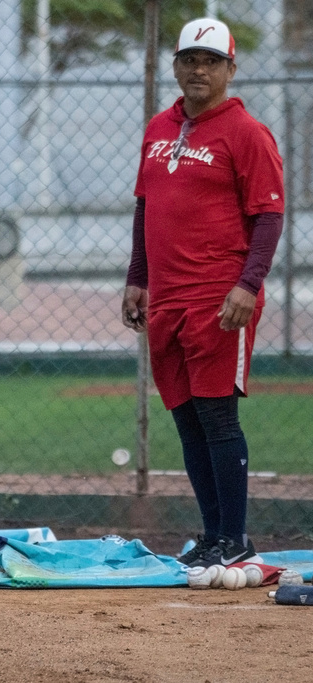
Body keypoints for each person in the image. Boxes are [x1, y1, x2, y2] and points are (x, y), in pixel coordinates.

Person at [121, 18, 284, 568]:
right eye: (189, 58)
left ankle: (235, 539)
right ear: (176, 66)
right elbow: (146, 207)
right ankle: (214, 535)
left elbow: (268, 216)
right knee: (187, 419)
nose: (198, 68)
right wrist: (137, 277)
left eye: (211, 60)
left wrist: (248, 285)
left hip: (219, 297)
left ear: (230, 70)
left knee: (217, 418)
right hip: (165, 296)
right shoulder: (158, 127)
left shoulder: (247, 133)